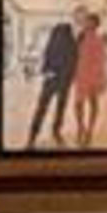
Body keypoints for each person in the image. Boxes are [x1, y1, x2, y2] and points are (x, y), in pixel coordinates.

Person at [21, 12, 78, 150]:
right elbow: (71, 64)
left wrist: (49, 73)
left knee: (45, 109)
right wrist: (53, 74)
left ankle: (36, 136)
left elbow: (53, 63)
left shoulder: (58, 43)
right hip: (59, 82)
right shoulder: (70, 44)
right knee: (52, 109)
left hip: (56, 82)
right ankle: (41, 134)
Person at [67, 5, 107, 148]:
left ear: (96, 24)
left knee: (93, 104)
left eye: (90, 21)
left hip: (93, 75)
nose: (87, 23)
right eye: (87, 21)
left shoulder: (99, 39)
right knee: (78, 104)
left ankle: (90, 131)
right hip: (80, 75)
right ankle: (81, 127)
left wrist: (99, 79)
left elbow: (102, 60)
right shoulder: (80, 37)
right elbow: (74, 56)